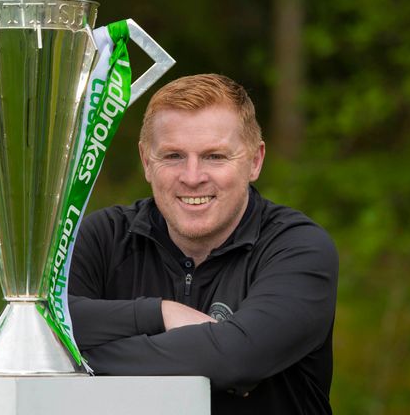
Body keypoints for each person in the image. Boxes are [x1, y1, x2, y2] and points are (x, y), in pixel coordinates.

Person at [69, 73, 338, 414]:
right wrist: (160, 313)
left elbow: (238, 358)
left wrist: (78, 358)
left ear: (255, 161)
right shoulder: (104, 237)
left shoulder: (297, 247)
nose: (193, 177)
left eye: (214, 156)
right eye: (173, 156)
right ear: (146, 162)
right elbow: (39, 328)